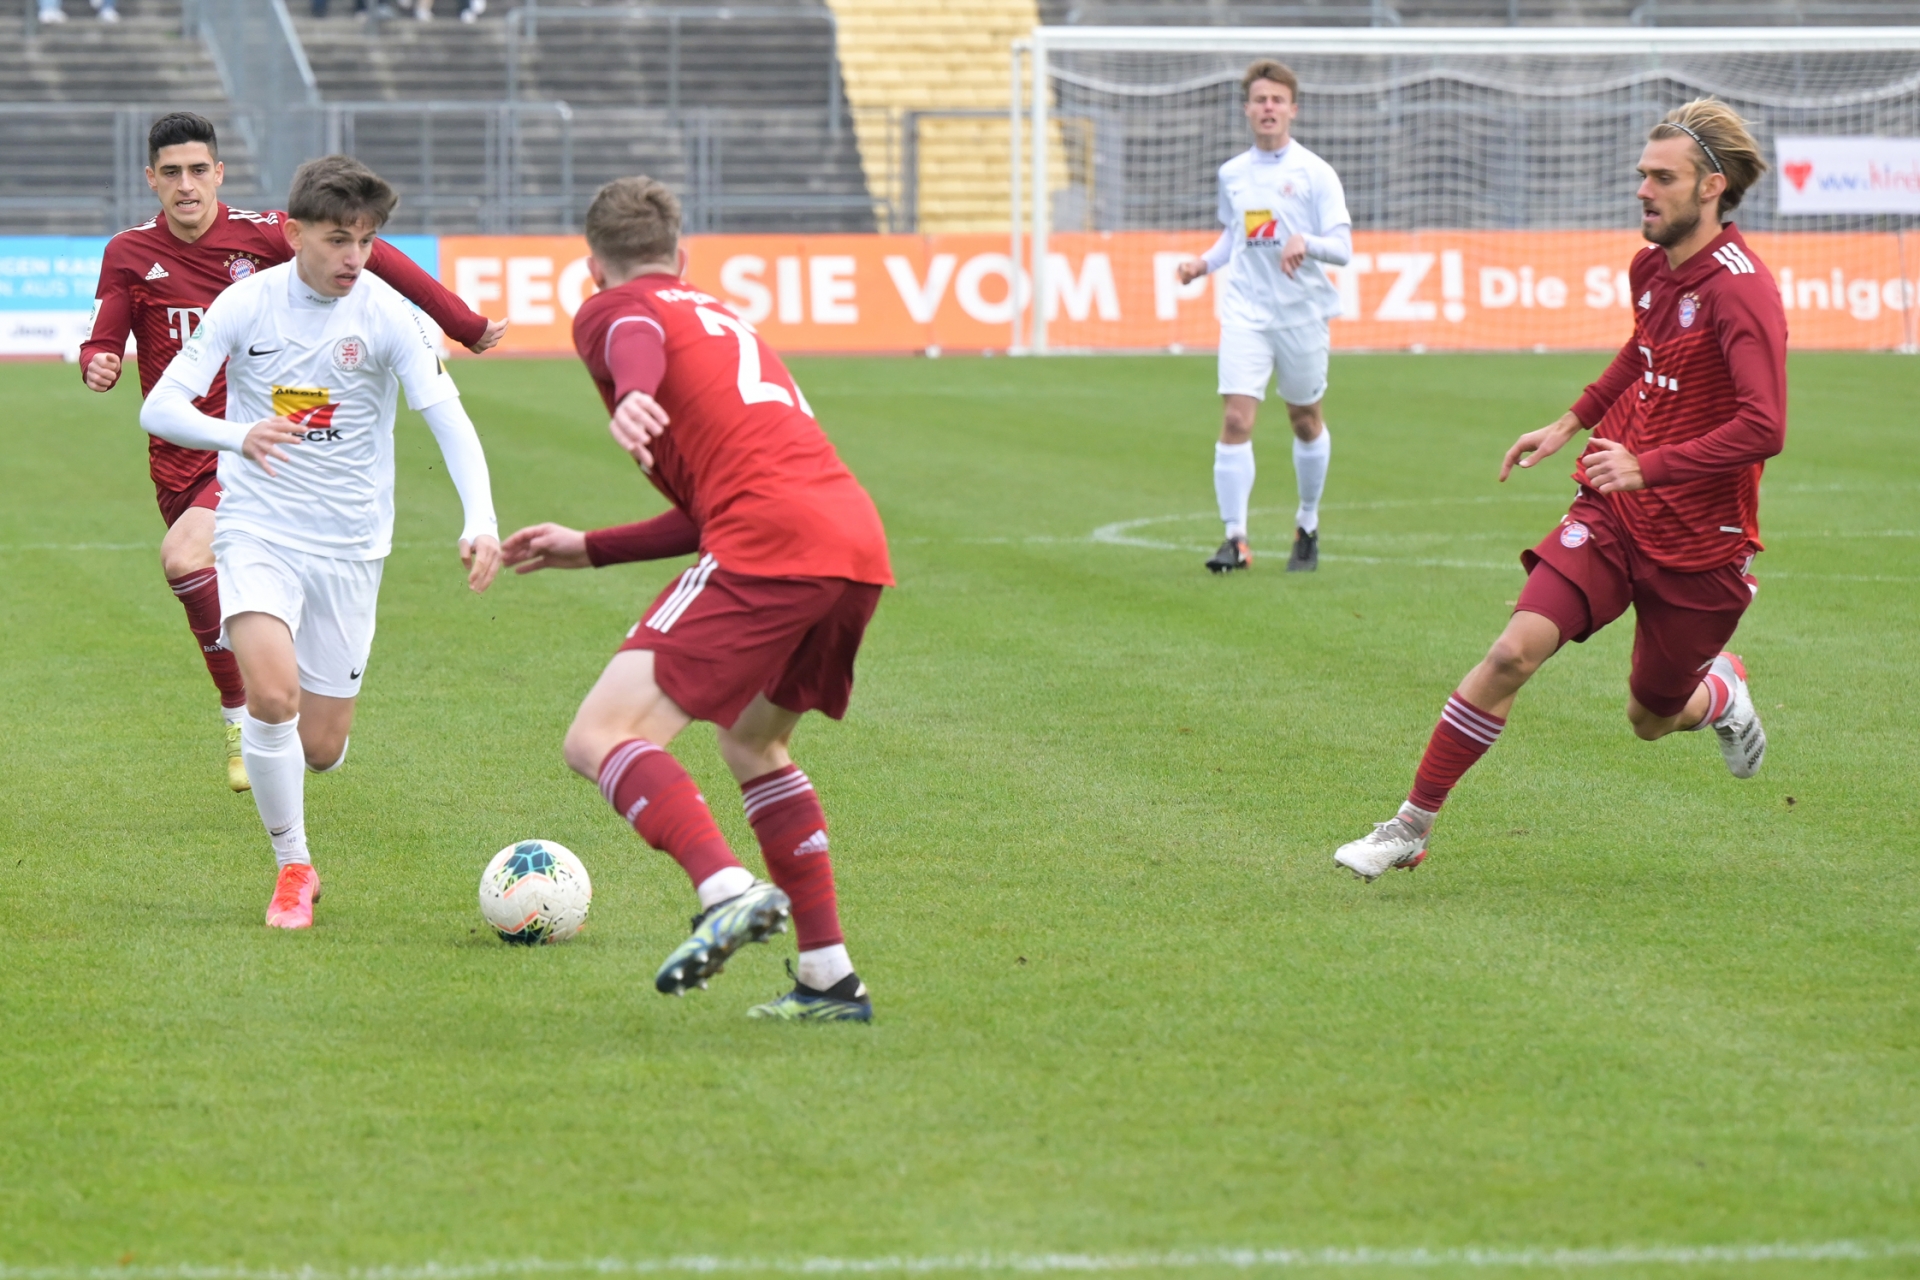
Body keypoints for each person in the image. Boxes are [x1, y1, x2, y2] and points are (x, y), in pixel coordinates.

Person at [1333, 100, 1780, 882]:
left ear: (1711, 187)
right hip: (1613, 509)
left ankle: (1719, 692)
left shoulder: (1742, 292)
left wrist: (1652, 465)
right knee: (1512, 652)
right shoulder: (1649, 266)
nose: (1643, 189)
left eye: (1662, 178)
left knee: (1651, 717)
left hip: (1701, 544)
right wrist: (1572, 422)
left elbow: (1763, 426)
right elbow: (1641, 352)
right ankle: (1409, 825)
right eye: (1642, 173)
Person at [501, 176, 891, 1022]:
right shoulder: (718, 313)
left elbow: (632, 328)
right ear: (684, 255)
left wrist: (634, 388)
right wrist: (590, 548)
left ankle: (723, 890)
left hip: (772, 542)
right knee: (755, 745)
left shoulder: (615, 311)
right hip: (852, 543)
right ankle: (830, 978)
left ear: (591, 268)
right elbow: (704, 507)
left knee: (598, 735)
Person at [82, 113, 503, 793]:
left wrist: (463, 323)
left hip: (265, 448)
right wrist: (97, 358)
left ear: (218, 173)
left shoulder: (268, 235)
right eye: (172, 172)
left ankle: (242, 710)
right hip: (178, 451)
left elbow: (373, 254)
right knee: (196, 575)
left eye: (199, 170)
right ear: (151, 180)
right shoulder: (129, 250)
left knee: (186, 558)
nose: (187, 185)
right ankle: (261, 695)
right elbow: (108, 324)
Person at [139, 155, 502, 929]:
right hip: (258, 529)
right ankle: (293, 868)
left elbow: (447, 415)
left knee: (321, 746)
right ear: (295, 232)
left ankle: (294, 782)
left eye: (368, 242)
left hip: (350, 549)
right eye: (340, 240)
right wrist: (239, 435)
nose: (356, 259)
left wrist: (481, 518)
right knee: (271, 698)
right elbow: (161, 407)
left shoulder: (385, 314)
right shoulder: (246, 304)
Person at [1177, 59, 1351, 574]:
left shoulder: (1316, 172)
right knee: (1235, 418)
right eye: (1260, 100)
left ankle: (1308, 523)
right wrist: (1203, 264)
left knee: (1305, 421)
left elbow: (1342, 247)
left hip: (1301, 315)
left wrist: (1308, 243)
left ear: (1292, 109)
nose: (1268, 108)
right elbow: (1236, 234)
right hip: (1245, 312)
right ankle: (1236, 539)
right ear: (1247, 109)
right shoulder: (1233, 173)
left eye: (1277, 100)